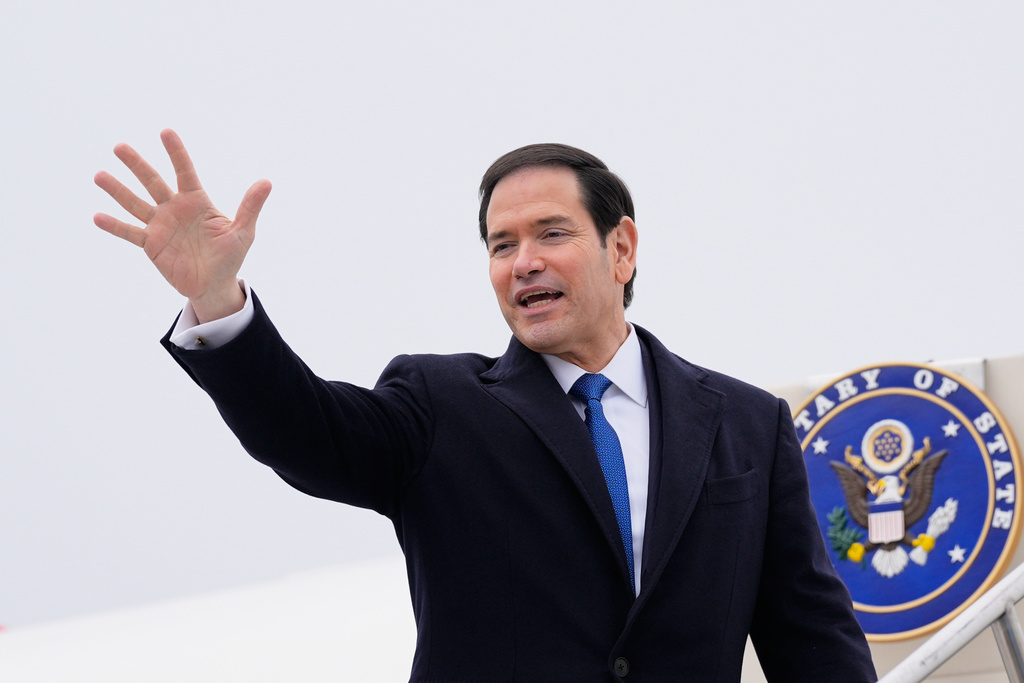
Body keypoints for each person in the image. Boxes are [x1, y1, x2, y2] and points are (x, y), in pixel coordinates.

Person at [94, 130, 877, 682]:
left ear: (623, 247)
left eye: (550, 233)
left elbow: (815, 643)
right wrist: (217, 298)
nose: (523, 262)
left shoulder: (746, 425)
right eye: (502, 245)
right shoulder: (440, 405)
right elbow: (307, 431)